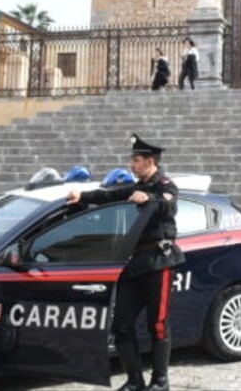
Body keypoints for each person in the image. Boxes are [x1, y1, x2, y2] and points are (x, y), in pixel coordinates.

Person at [66, 135, 185, 391]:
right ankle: (134, 381)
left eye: (136, 160)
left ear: (150, 161)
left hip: (158, 262)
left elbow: (169, 207)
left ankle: (160, 381)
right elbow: (109, 195)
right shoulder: (135, 187)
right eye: (132, 160)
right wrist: (82, 196)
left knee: (158, 324)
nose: (132, 165)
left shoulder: (165, 185)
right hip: (135, 264)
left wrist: (149, 200)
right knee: (122, 324)